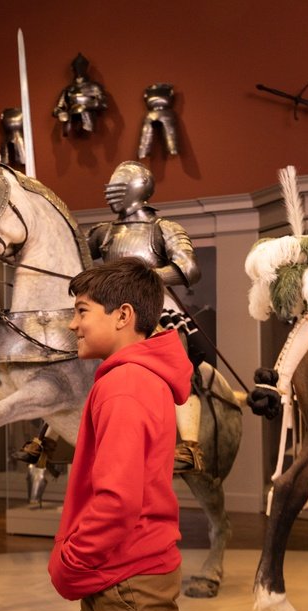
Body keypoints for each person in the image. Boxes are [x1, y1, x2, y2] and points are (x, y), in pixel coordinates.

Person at [48, 258, 194, 611]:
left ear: (123, 316)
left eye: (82, 311)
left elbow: (117, 500)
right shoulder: (126, 379)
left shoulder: (125, 384)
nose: (74, 325)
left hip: (126, 575)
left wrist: (72, 559)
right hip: (115, 571)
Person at [87, 160, 204, 472]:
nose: (111, 192)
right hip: (109, 307)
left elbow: (189, 269)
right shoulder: (102, 233)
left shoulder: (164, 229)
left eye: (118, 186)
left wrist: (142, 277)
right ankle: (47, 435)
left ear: (137, 190)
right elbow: (72, 257)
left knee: (176, 353)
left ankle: (190, 444)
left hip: (155, 305)